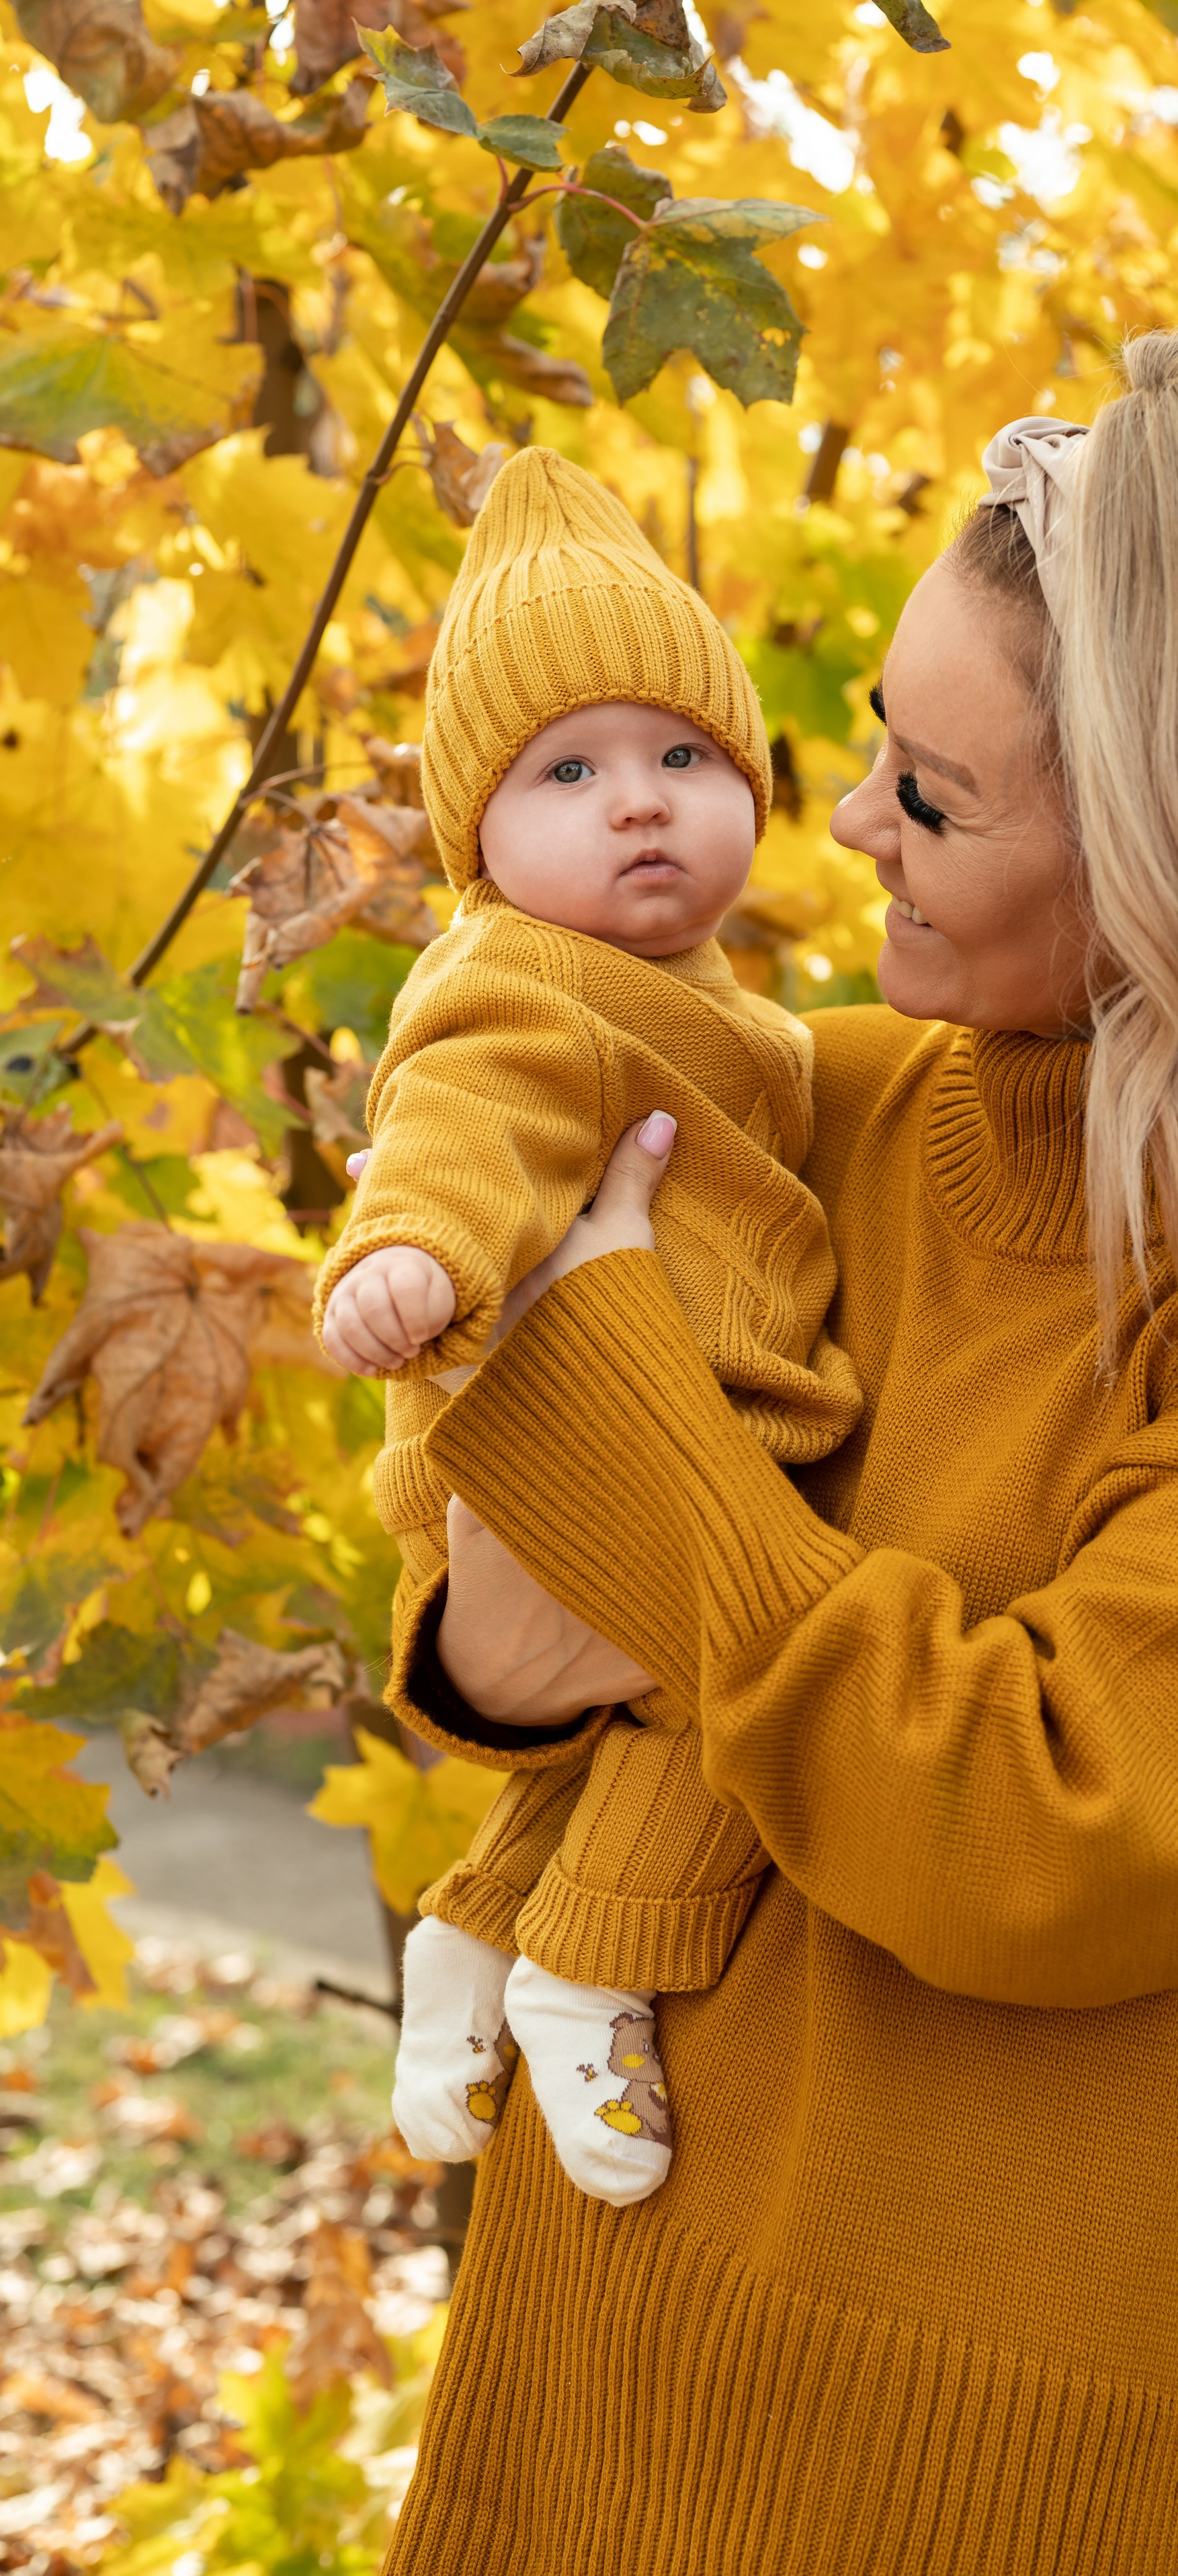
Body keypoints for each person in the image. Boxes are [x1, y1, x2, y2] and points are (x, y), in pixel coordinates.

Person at [378, 333, 1178, 2576]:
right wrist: (505, 1613)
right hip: (623, 2334)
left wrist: (602, 1384)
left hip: (1014, 2461)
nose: (854, 826)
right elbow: (498, 1619)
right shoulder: (829, 1106)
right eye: (870, 752)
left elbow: (1042, 1823)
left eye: (941, 799)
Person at [314, 446, 859, 2208]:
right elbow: (466, 1131)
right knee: (746, 1689)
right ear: (475, 836)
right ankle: (590, 1969)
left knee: (624, 1723)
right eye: (571, 770)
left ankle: (475, 1935)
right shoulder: (519, 988)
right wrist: (411, 1253)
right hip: (559, 1442)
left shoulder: (722, 1013)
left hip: (645, 1428)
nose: (640, 801)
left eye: (684, 756)